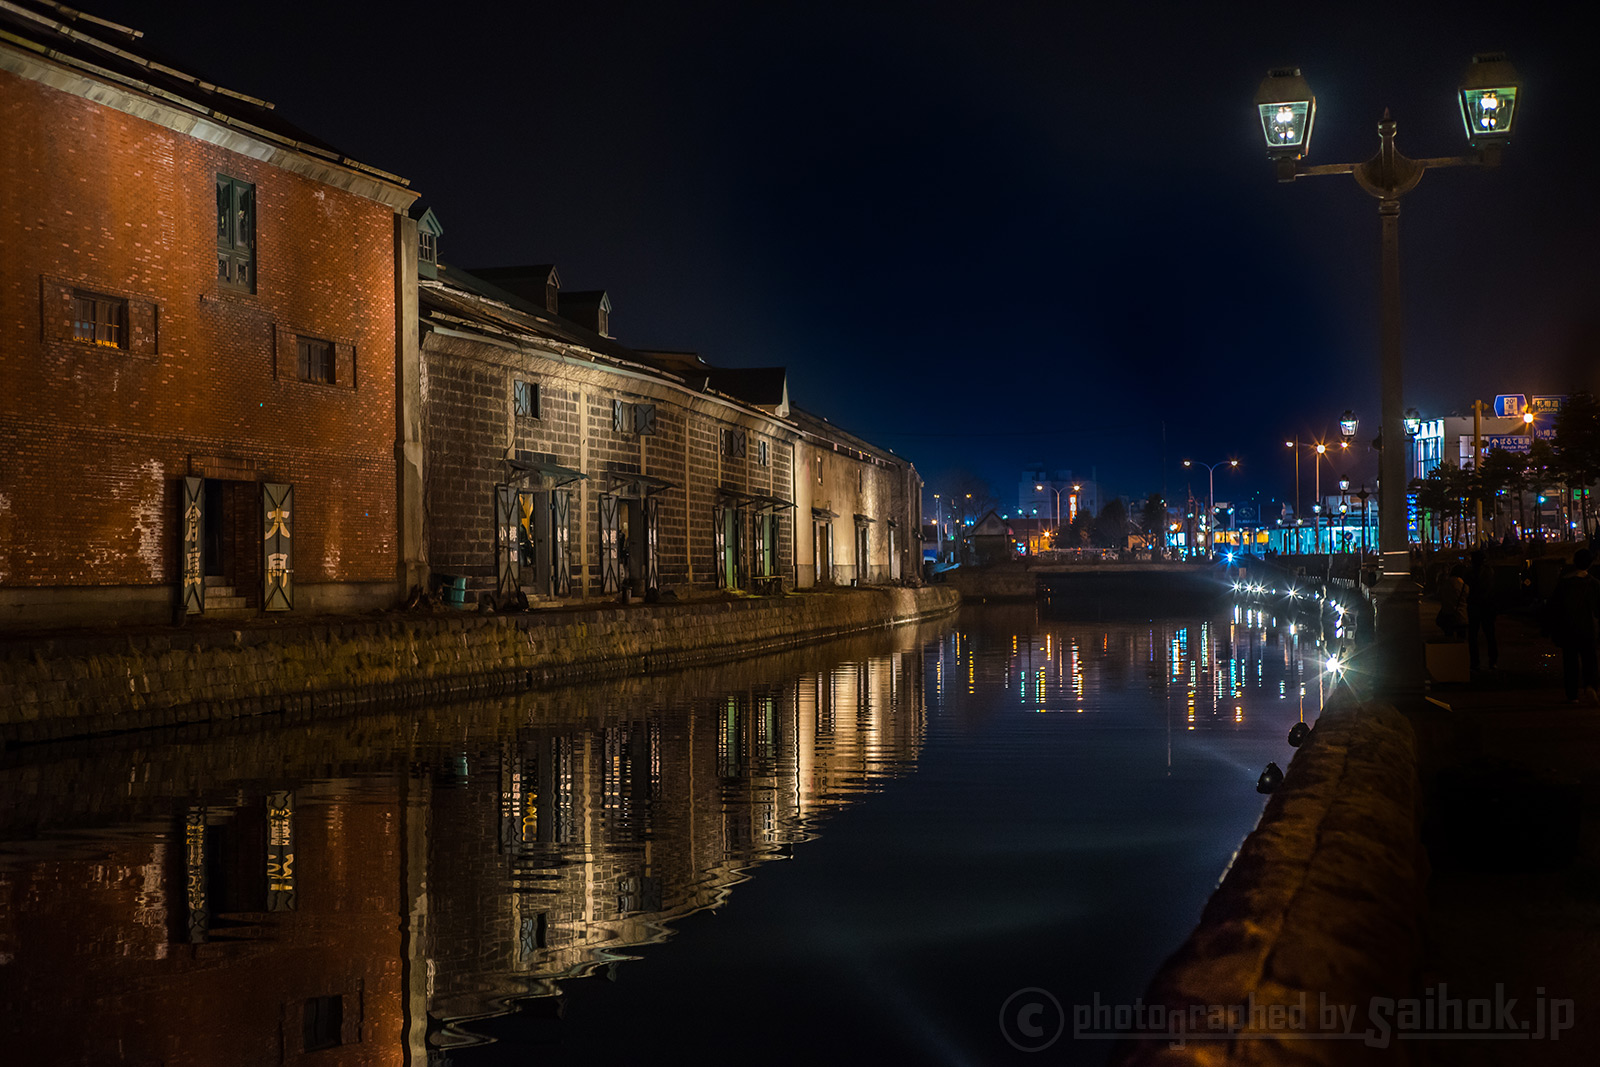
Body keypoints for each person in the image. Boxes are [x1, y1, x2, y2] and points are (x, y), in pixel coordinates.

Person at [1547, 549, 1600, 705]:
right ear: (1590, 564)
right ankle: (1590, 686)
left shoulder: (1564, 583)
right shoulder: (1595, 584)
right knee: (1590, 660)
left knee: (1570, 662)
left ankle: (1572, 695)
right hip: (1588, 629)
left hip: (1568, 628)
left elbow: (1554, 608)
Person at [1466, 550, 1498, 670]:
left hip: (1477, 607)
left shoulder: (1470, 573)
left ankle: (1476, 661)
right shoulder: (1489, 572)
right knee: (1488, 635)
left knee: (1475, 636)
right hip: (1485, 607)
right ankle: (1491, 661)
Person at [1436, 564, 1469, 640]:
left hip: (1447, 614)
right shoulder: (1463, 586)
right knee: (1461, 638)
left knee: (1448, 638)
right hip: (1460, 616)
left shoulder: (1445, 583)